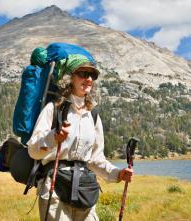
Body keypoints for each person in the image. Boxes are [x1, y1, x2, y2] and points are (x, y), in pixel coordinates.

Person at [27, 62, 134, 221]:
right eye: (83, 74)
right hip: (54, 186)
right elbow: (33, 150)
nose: (89, 79)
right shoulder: (53, 108)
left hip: (85, 188)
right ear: (71, 78)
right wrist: (53, 138)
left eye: (93, 76)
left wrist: (118, 173)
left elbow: (95, 159)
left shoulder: (93, 115)